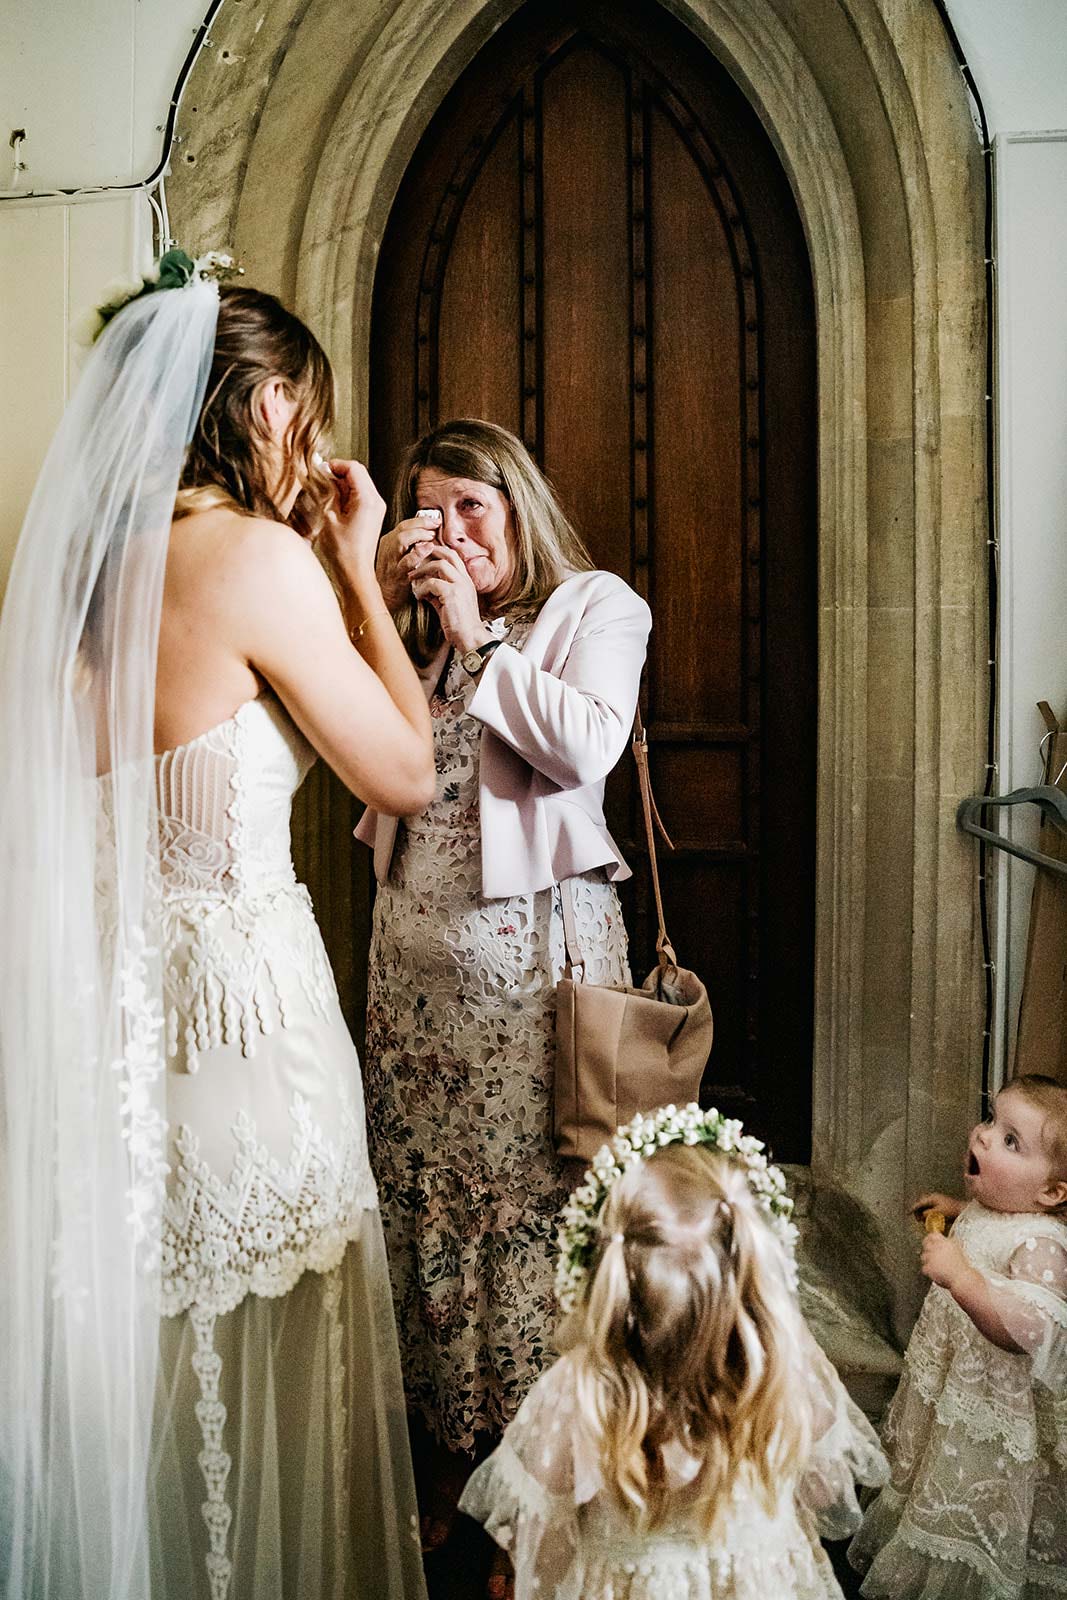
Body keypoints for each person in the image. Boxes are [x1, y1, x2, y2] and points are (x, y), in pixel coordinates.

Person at [0, 253, 434, 1598]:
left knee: (145, 1368)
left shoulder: (66, 581)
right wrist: (355, 570)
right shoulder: (251, 560)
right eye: (300, 408)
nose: (309, 439)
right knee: (278, 1352)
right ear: (258, 412)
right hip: (247, 1033)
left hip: (103, 1039)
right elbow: (406, 773)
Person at [356, 418, 651, 1516]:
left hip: (528, 976)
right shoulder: (418, 628)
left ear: (518, 503)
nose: (452, 531)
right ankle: (439, 1452)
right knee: (426, 1204)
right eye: (428, 512)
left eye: (471, 505)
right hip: (411, 969)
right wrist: (375, 603)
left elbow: (583, 748)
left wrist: (478, 636)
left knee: (529, 1210)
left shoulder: (594, 607)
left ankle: (536, 1487)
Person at [459, 1110, 889, 1599]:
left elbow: (544, 1525)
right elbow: (826, 1491)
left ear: (610, 1280)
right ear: (754, 1279)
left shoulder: (578, 1387)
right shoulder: (780, 1370)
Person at [849, 1073, 1067, 1599]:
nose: (985, 1136)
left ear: (1051, 1192)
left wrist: (965, 1279)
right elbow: (989, 1224)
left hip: (989, 1410)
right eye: (993, 1120)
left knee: (968, 1490)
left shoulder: (1042, 1245)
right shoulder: (1004, 1211)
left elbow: (1030, 1331)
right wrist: (957, 1210)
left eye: (1011, 1141)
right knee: (928, 1466)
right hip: (949, 1387)